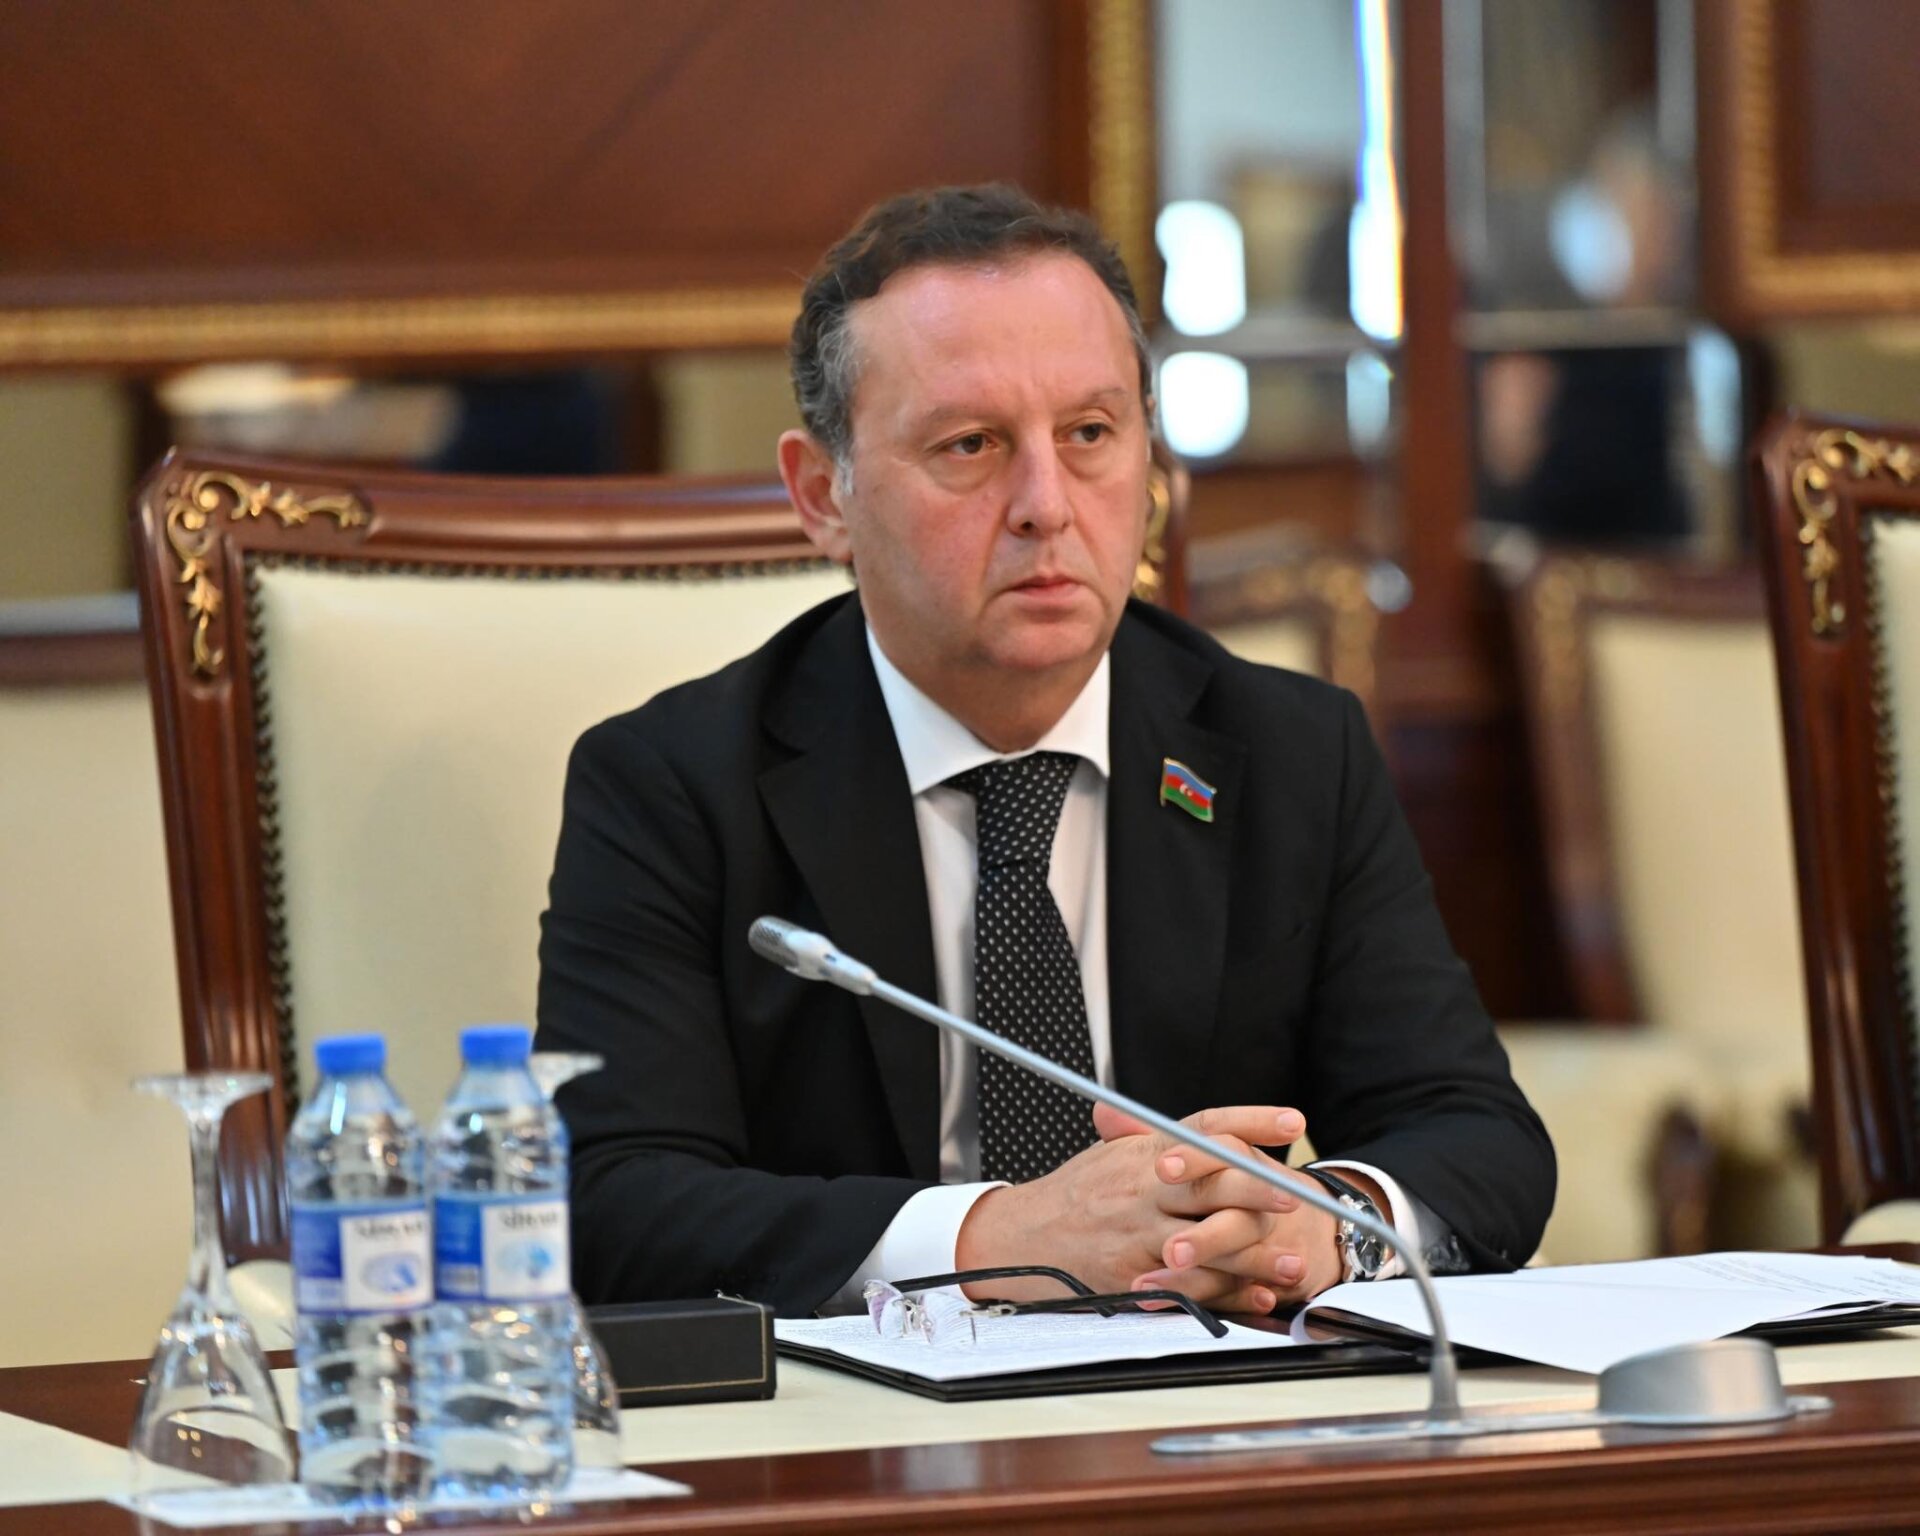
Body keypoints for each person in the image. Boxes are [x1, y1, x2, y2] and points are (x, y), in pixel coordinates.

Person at [536, 184, 1553, 1319]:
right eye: (970, 445)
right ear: (823, 495)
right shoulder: (673, 784)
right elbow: (609, 1202)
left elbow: (1480, 1139)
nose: (1045, 505)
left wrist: (1320, 1226)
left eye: (1090, 435)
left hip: (1209, 1395)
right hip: (879, 1411)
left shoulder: (1290, 752)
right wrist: (996, 1237)